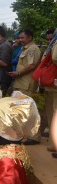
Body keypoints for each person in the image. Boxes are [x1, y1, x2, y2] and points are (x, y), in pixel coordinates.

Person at [7, 29, 41, 145]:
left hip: (27, 84)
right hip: (20, 83)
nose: (20, 40)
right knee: (21, 110)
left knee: (29, 110)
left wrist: (18, 73)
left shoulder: (33, 49)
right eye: (19, 38)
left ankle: (34, 136)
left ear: (30, 37)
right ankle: (24, 134)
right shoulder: (24, 48)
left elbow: (32, 65)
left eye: (23, 38)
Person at [40, 28, 57, 157]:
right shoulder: (50, 46)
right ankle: (53, 144)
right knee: (51, 114)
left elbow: (55, 58)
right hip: (50, 84)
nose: (50, 41)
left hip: (53, 84)